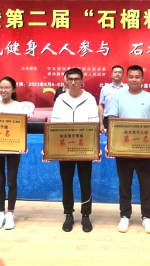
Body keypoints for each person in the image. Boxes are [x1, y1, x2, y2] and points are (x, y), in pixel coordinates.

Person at [110, 65, 150, 234]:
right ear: (127, 78)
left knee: (146, 186)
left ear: (143, 79)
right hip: (123, 149)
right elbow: (113, 120)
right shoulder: (118, 97)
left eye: (137, 77)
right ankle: (125, 215)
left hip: (145, 150)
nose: (134, 79)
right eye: (131, 77)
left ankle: (147, 217)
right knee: (124, 185)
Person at [51, 68, 99, 233]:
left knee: (85, 182)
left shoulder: (89, 98)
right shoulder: (60, 99)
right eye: (70, 79)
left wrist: (94, 147)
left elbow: (94, 124)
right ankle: (68, 214)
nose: (73, 82)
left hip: (84, 148)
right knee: (67, 182)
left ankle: (86, 215)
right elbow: (54, 124)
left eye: (76, 79)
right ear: (65, 81)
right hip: (64, 149)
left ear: (82, 81)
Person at [0, 77, 26, 230]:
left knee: (11, 181)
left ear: (13, 89)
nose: (3, 90)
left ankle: (10, 213)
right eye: (1, 87)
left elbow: (22, 128)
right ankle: (0, 213)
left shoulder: (19, 107)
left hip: (13, 149)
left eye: (7, 87)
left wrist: (22, 144)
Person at [98, 65, 128, 131]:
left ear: (123, 75)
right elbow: (101, 106)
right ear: (111, 74)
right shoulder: (105, 88)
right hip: (107, 119)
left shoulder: (127, 89)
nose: (117, 74)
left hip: (122, 119)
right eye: (115, 72)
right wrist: (101, 124)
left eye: (119, 72)